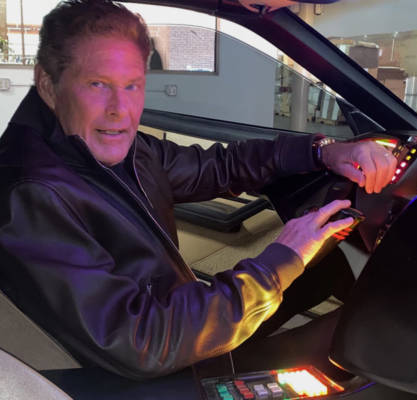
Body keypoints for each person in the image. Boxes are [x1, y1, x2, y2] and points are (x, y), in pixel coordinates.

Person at [0, 0, 396, 380]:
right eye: (97, 84)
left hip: (176, 320)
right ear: (48, 86)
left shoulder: (124, 150)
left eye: (132, 85)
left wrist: (323, 151)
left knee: (322, 269)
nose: (119, 109)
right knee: (353, 342)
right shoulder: (31, 193)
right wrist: (280, 259)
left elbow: (221, 166)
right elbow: (141, 342)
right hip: (151, 370)